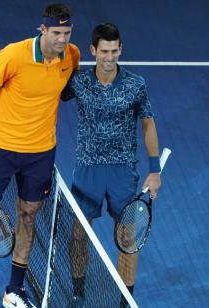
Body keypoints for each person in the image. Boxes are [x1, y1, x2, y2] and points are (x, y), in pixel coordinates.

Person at [0, 3, 80, 308]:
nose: (62, 39)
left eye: (67, 33)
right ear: (43, 30)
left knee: (28, 215)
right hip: (0, 150)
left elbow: (63, 90)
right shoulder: (13, 55)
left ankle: (14, 291)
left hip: (40, 154)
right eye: (57, 33)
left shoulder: (72, 56)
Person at [62, 22, 161, 307]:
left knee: (127, 237)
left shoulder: (135, 85)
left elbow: (148, 124)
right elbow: (48, 94)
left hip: (123, 171)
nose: (109, 57)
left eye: (114, 51)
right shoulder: (77, 81)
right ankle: (78, 291)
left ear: (121, 50)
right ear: (93, 50)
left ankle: (124, 300)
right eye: (103, 51)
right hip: (87, 169)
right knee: (79, 234)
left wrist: (154, 170)